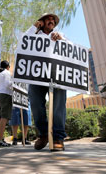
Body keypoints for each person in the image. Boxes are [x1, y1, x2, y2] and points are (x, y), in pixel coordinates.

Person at [27, 13, 67, 151]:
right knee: (36, 104)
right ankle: (43, 135)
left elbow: (71, 51)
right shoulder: (34, 35)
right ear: (42, 22)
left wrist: (61, 40)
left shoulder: (60, 35)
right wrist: (34, 27)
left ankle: (58, 138)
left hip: (57, 74)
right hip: (36, 75)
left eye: (53, 20)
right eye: (48, 19)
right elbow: (23, 42)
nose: (51, 21)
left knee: (58, 105)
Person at [0, 60, 13, 147]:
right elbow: (9, 85)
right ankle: (0, 139)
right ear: (8, 67)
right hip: (5, 95)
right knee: (4, 118)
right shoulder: (7, 73)